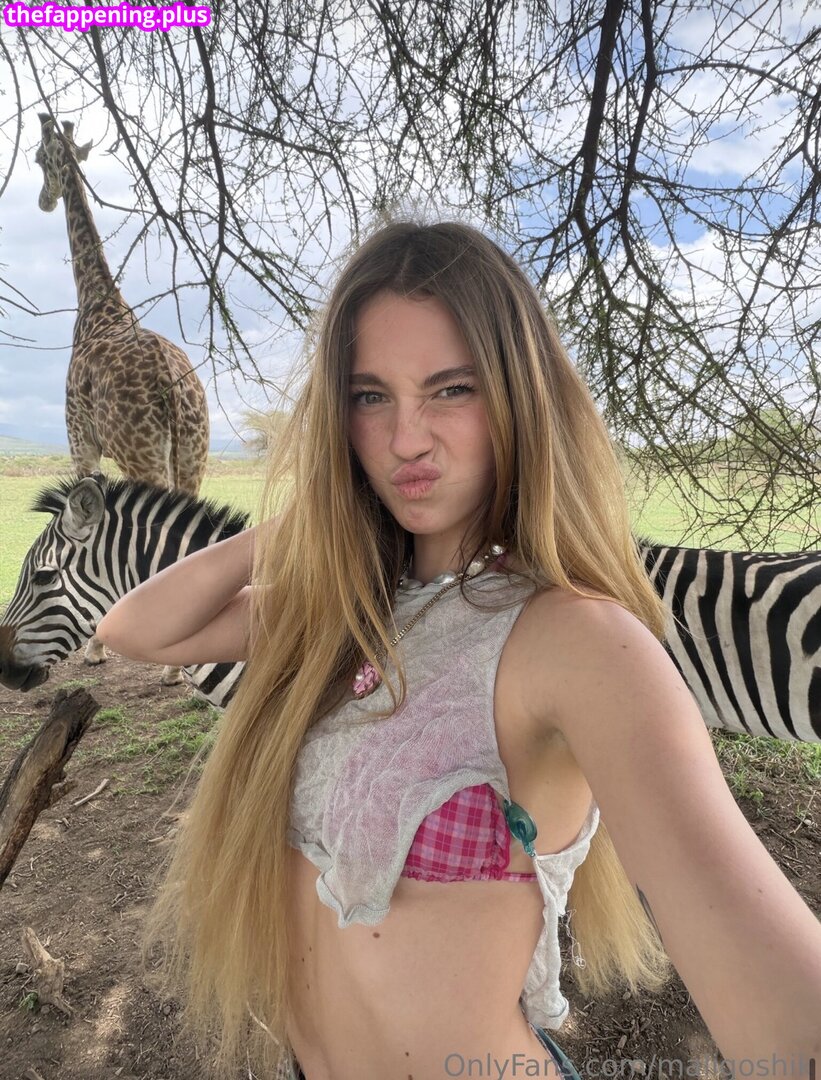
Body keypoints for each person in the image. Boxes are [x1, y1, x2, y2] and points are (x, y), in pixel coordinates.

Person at [96, 218, 821, 1080]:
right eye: (370, 397)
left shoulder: (576, 641)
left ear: (518, 399)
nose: (406, 439)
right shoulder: (340, 611)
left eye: (450, 389)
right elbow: (134, 630)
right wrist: (308, 518)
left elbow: (774, 984)